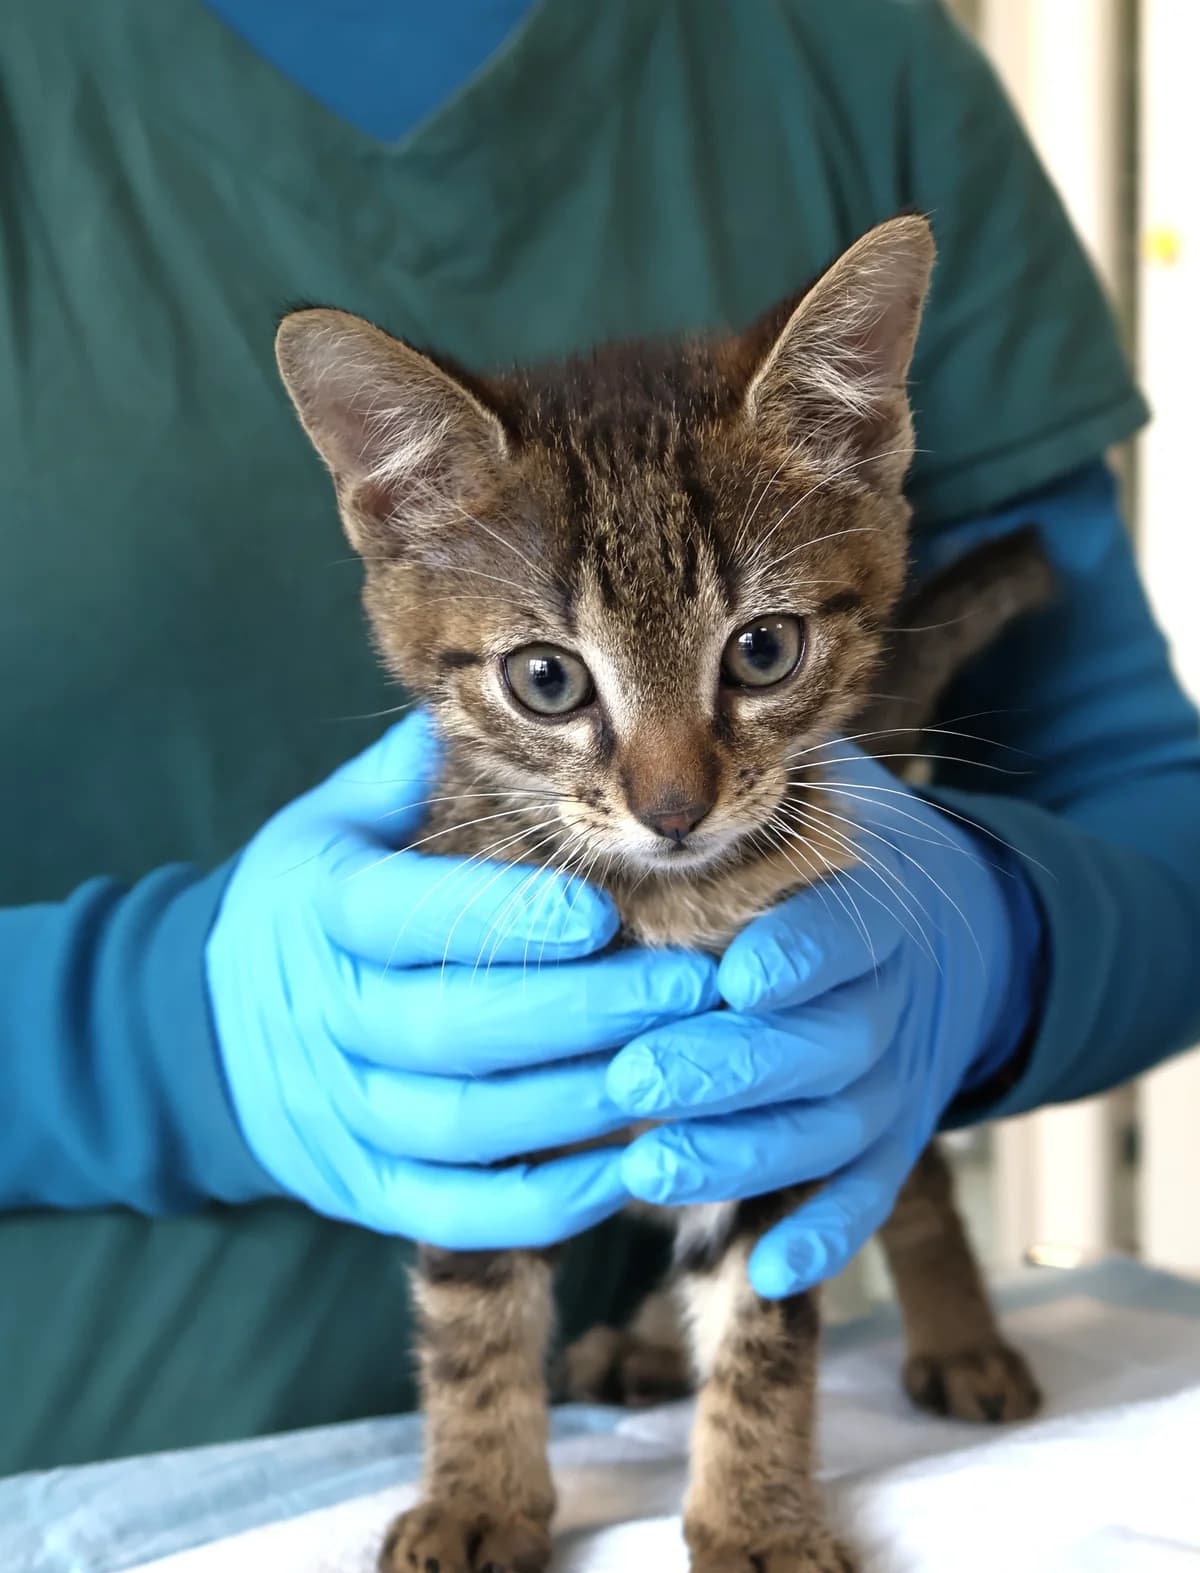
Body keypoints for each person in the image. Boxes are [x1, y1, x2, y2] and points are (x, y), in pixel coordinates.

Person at [2, 0, 1198, 1477]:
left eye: (755, 655)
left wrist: (1012, 945)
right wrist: (153, 1031)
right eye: (555, 685)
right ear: (390, 509)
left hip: (631, 1464)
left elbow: (1155, 815)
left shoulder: (851, 55)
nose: (674, 790)